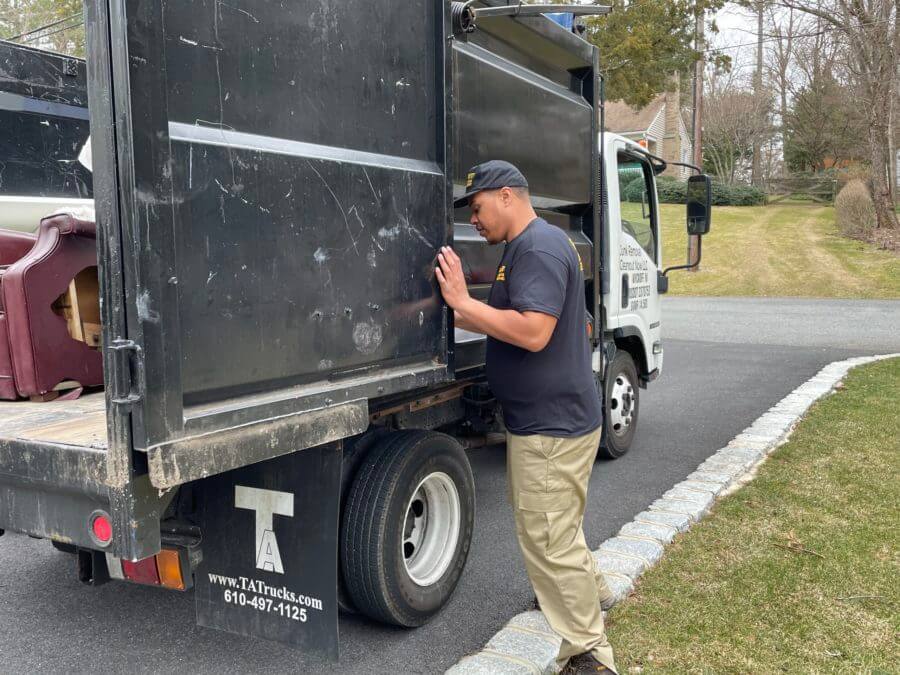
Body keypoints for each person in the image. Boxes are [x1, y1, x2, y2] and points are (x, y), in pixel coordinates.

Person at [435, 160, 617, 675]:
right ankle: (591, 593)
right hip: (553, 420)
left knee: (547, 536)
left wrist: (463, 306)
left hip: (551, 428)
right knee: (556, 525)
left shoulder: (535, 247)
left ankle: (588, 654)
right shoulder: (533, 246)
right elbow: (565, 324)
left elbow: (535, 331)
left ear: (507, 196)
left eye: (478, 207)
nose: (475, 220)